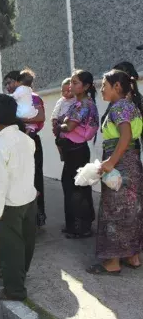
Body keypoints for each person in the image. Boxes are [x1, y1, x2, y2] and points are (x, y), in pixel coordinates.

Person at [87, 70, 143, 275]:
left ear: (117, 86)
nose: (101, 89)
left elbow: (126, 135)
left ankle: (112, 263)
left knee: (114, 212)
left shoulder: (118, 107)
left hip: (120, 166)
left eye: (104, 85)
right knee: (132, 211)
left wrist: (111, 161)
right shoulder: (132, 106)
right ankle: (132, 256)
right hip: (132, 164)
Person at [0, 94, 37, 301]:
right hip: (29, 198)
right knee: (26, 242)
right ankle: (18, 275)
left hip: (10, 203)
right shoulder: (26, 139)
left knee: (11, 247)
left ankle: (14, 289)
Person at [53, 70, 99, 239]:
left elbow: (70, 126)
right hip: (73, 150)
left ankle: (82, 227)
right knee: (71, 186)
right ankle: (74, 224)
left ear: (86, 86)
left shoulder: (84, 104)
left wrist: (60, 125)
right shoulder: (78, 103)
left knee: (77, 189)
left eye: (75, 83)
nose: (71, 86)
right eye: (71, 82)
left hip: (77, 150)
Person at [4, 70, 46, 227]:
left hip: (31, 140)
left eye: (10, 82)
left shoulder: (33, 98)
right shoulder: (10, 101)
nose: (8, 86)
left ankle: (37, 216)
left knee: (34, 179)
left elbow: (40, 117)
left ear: (19, 82)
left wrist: (17, 119)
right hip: (14, 143)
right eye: (6, 84)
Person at [51, 78, 76, 160]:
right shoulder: (61, 101)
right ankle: (62, 154)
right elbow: (56, 111)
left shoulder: (76, 100)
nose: (65, 93)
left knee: (68, 137)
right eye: (63, 91)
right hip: (61, 120)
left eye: (68, 91)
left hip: (70, 121)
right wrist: (54, 119)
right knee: (59, 139)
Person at [10, 68, 38, 133]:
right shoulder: (29, 89)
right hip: (31, 113)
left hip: (22, 113)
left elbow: (14, 97)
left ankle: (27, 131)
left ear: (20, 82)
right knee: (29, 124)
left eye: (16, 81)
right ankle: (30, 128)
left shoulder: (20, 89)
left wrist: (7, 96)